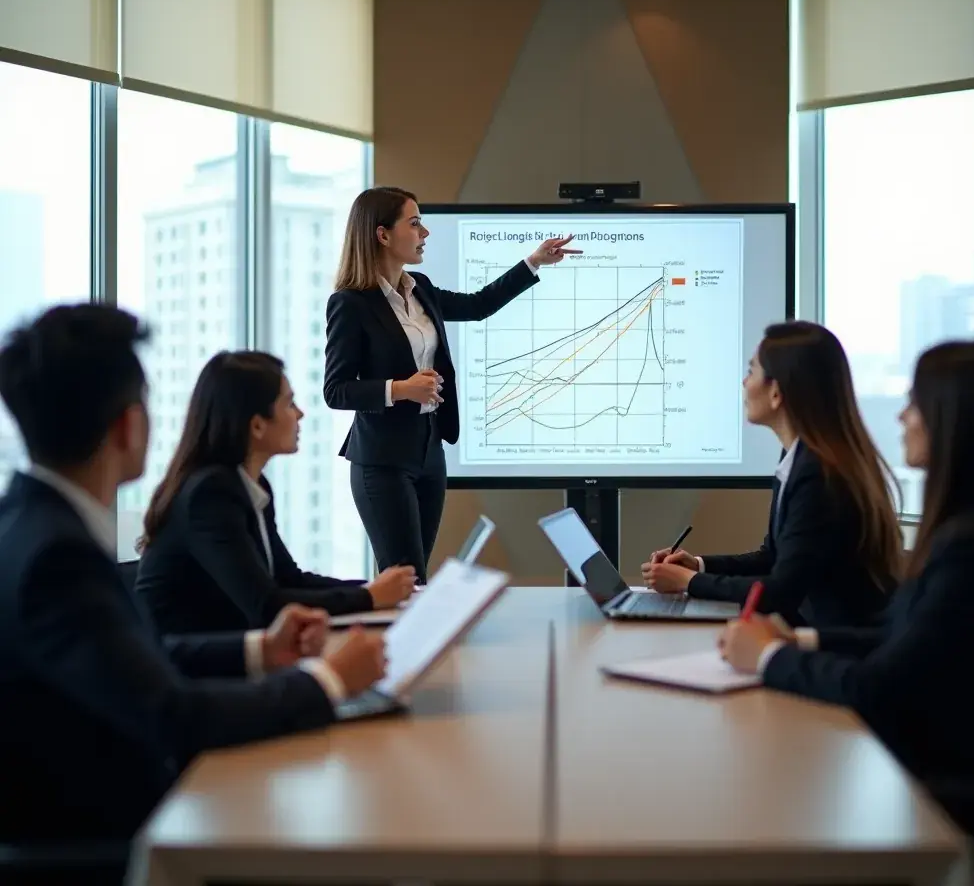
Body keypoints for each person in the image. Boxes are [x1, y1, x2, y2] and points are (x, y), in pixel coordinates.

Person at [0, 304, 386, 855]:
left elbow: (140, 658)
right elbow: (171, 714)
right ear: (129, 425)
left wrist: (258, 651)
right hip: (112, 842)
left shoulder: (27, 525)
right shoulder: (56, 555)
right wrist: (326, 682)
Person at [720, 340, 974, 886]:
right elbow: (895, 637)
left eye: (914, 403)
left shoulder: (972, 548)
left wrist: (767, 657)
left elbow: (878, 687)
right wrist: (798, 645)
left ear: (953, 421)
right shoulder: (971, 532)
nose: (903, 416)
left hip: (944, 799)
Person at [324, 186, 580, 581]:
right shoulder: (350, 303)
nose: (424, 233)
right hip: (382, 460)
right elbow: (336, 390)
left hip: (430, 450)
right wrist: (400, 388)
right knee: (405, 580)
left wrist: (533, 262)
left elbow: (478, 306)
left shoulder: (420, 287)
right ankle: (390, 644)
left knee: (417, 578)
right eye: (415, 223)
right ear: (382, 234)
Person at [136, 350, 416, 636]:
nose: (300, 414)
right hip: (189, 668)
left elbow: (287, 578)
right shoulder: (210, 494)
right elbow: (266, 604)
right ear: (257, 425)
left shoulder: (250, 485)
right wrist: (369, 597)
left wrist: (376, 589)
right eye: (289, 403)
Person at [642, 321, 902, 628]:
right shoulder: (801, 456)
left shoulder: (819, 475)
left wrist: (689, 582)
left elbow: (781, 591)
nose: (744, 382)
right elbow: (774, 557)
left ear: (776, 392)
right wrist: (698, 566)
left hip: (834, 650)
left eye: (751, 371)